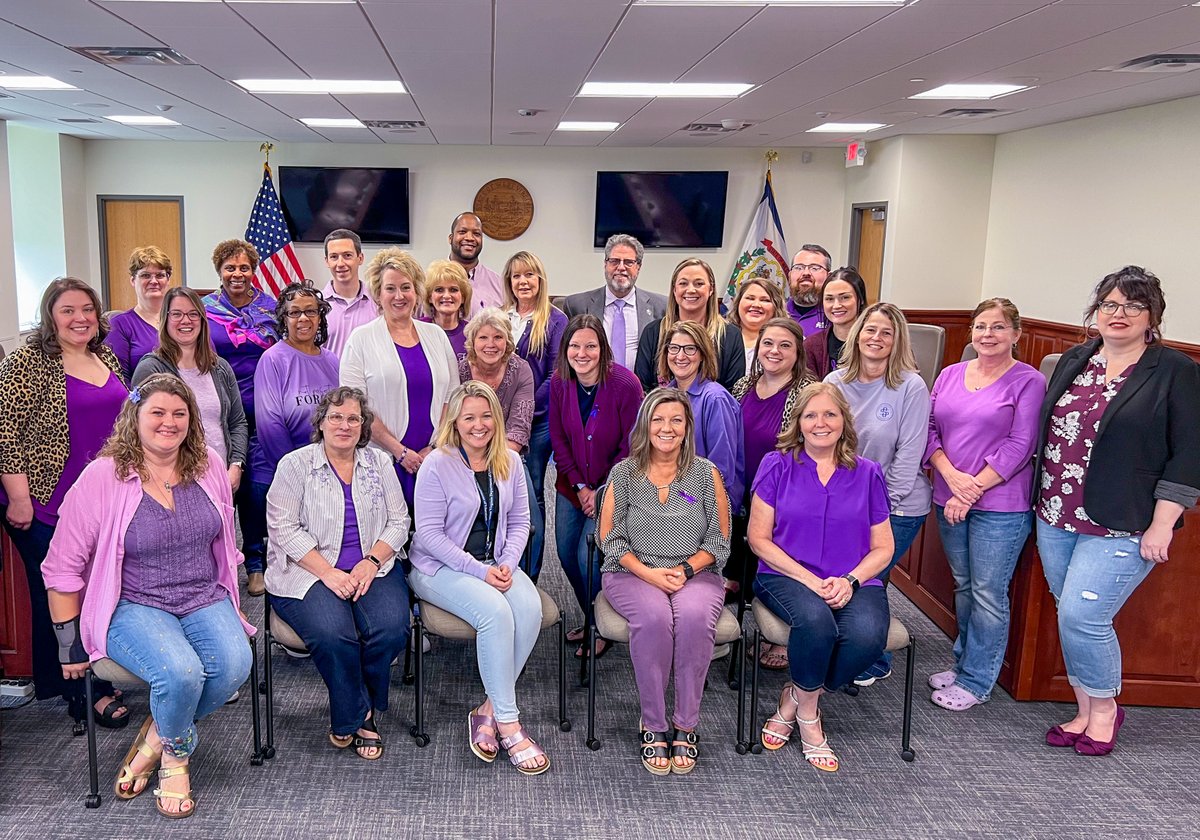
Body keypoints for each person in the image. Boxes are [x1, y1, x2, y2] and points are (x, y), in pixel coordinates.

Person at [42, 373, 255, 819]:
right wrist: (68, 643)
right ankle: (175, 760)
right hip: (132, 602)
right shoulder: (104, 475)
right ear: (134, 417)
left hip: (202, 593)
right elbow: (61, 564)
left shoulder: (209, 464)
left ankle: (156, 733)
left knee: (235, 666)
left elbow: (223, 535)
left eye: (179, 414)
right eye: (157, 412)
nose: (169, 422)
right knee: (180, 674)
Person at [1033, 267, 1200, 756]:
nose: (1119, 313)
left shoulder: (1175, 370)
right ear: (1096, 311)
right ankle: (1084, 709)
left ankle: (1105, 711)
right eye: (1109, 304)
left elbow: (1189, 452)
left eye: (1132, 305)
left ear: (1152, 315)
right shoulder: (1077, 359)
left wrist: (1163, 523)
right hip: (1056, 513)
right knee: (1069, 615)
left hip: (1125, 522)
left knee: (1085, 616)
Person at [0, 277, 130, 730]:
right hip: (43, 501)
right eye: (68, 310)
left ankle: (78, 675)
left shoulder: (105, 355)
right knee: (62, 592)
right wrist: (19, 498)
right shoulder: (27, 363)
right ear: (50, 316)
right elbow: (6, 435)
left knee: (96, 587)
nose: (80, 318)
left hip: (99, 499)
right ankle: (84, 690)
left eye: (87, 310)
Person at [748, 383, 894, 772]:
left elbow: (883, 548)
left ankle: (795, 698)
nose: (820, 423)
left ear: (844, 421)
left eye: (830, 414)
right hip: (785, 575)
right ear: (798, 423)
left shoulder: (867, 473)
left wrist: (851, 580)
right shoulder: (776, 465)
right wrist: (810, 582)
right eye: (810, 415)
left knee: (867, 637)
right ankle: (810, 720)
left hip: (854, 578)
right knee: (816, 625)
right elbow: (757, 539)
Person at [408, 381, 549, 775]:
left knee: (530, 608)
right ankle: (509, 723)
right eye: (469, 417)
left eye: (486, 415)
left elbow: (522, 521)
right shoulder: (437, 463)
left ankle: (487, 708)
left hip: (495, 561)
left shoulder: (509, 460)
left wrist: (506, 562)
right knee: (495, 613)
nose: (479, 424)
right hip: (439, 568)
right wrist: (480, 571)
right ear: (455, 420)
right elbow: (430, 536)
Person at [266, 386, 411, 760]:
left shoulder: (379, 463)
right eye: (336, 417)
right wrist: (328, 572)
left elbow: (399, 520)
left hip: (371, 567)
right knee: (334, 634)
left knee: (392, 629)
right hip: (308, 570)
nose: (344, 425)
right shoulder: (295, 465)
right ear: (321, 422)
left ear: (363, 426)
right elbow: (282, 528)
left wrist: (371, 562)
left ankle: (354, 701)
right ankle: (359, 715)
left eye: (353, 418)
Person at [597, 388, 731, 776]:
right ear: (645, 425)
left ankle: (686, 723)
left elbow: (719, 540)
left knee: (691, 620)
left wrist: (687, 570)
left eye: (676, 420)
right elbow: (611, 539)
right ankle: (654, 723)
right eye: (658, 420)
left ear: (687, 427)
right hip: (632, 572)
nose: (666, 428)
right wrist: (649, 573)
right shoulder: (624, 473)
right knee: (655, 620)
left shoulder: (706, 474)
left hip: (697, 573)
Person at [924, 298, 1046, 711]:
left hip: (1001, 504)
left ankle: (977, 681)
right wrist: (951, 479)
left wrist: (971, 488)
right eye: (980, 327)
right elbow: (929, 430)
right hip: (949, 496)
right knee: (964, 585)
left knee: (989, 592)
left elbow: (1022, 444)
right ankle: (963, 664)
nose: (987, 335)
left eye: (997, 327)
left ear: (1016, 334)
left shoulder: (1028, 381)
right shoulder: (950, 374)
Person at [826, 303, 932, 686]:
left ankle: (874, 655)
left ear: (896, 340)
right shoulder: (835, 382)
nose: (876, 338)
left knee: (872, 581)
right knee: (844, 579)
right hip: (844, 507)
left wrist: (877, 510)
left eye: (886, 333)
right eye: (870, 329)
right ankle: (849, 646)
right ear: (857, 333)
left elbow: (909, 453)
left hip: (897, 506)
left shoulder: (910, 386)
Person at [548, 314, 643, 658]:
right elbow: (558, 438)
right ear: (566, 349)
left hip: (613, 489)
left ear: (603, 349)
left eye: (591, 345)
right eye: (575, 346)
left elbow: (632, 444)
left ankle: (600, 625)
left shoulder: (626, 384)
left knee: (587, 557)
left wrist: (601, 492)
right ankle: (591, 614)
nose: (582, 353)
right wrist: (579, 485)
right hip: (570, 487)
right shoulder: (560, 382)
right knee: (564, 554)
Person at [341, 248, 458, 513]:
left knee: (434, 534)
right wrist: (400, 451)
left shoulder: (436, 335)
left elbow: (453, 397)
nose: (399, 296)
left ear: (416, 292)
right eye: (390, 288)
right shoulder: (360, 340)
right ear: (378, 294)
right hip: (382, 456)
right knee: (388, 537)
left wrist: (435, 447)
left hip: (435, 457)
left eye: (406, 287)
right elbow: (355, 407)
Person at [730, 317, 815, 667]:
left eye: (784, 345)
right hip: (741, 485)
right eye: (768, 344)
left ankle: (779, 638)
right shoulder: (742, 386)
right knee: (740, 560)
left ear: (798, 352)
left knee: (776, 565)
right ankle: (734, 630)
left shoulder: (807, 392)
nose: (774, 351)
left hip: (784, 494)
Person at [249, 284, 341, 595]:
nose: (303, 318)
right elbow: (270, 424)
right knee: (295, 551)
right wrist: (302, 476)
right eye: (294, 312)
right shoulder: (273, 360)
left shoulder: (333, 361)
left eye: (310, 311)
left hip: (331, 472)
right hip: (285, 472)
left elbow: (345, 418)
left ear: (320, 317)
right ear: (283, 319)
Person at [202, 239, 279, 592]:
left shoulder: (271, 307)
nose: (237, 274)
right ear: (219, 270)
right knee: (217, 487)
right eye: (230, 267)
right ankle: (216, 563)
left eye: (244, 267)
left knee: (253, 487)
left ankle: (256, 560)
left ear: (254, 269)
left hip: (263, 407)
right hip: (219, 408)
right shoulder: (204, 309)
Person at [132, 287, 248, 496]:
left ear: (203, 321)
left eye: (193, 314)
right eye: (177, 314)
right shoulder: (151, 369)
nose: (186, 320)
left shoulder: (220, 367)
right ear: (164, 320)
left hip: (220, 479)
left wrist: (236, 465)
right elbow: (138, 428)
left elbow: (237, 421)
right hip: (173, 483)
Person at [458, 309, 542, 573]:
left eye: (498, 337)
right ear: (472, 342)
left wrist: (492, 460)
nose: (491, 344)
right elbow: (455, 419)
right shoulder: (460, 368)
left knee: (530, 523)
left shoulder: (521, 369)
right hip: (464, 456)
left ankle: (526, 577)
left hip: (508, 456)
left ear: (508, 342)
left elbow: (519, 425)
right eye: (483, 337)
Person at [502, 251, 567, 583]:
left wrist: (521, 407)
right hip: (497, 425)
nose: (523, 281)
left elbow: (556, 374)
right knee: (500, 495)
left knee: (531, 496)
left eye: (529, 275)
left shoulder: (555, 320)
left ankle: (530, 574)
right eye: (516, 276)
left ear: (540, 280)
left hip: (538, 423)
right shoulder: (501, 317)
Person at [659, 320, 744, 511]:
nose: (680, 356)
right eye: (673, 348)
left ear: (703, 354)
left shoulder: (715, 399)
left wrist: (682, 499)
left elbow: (721, 471)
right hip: (672, 501)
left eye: (690, 349)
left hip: (707, 508)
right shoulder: (664, 396)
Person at [635, 258, 745, 392]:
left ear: (711, 289)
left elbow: (733, 392)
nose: (691, 290)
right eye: (683, 283)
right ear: (674, 290)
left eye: (699, 283)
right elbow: (642, 388)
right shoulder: (653, 332)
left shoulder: (730, 335)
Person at [560, 234, 667, 372]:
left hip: (642, 389)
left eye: (628, 262)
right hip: (593, 388)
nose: (621, 267)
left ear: (638, 267)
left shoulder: (661, 307)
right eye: (614, 261)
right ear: (605, 264)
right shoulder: (576, 305)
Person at [106, 245, 173, 380]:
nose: (153, 281)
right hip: (141, 399)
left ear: (168, 280)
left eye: (160, 275)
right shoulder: (119, 324)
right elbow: (119, 379)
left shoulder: (181, 319)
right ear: (133, 280)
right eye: (145, 275)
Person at [321, 229, 376, 358]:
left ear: (360, 258)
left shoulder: (378, 302)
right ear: (327, 261)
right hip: (328, 378)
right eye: (334, 257)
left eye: (347, 255)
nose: (340, 263)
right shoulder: (315, 305)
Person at [804, 267, 868, 379]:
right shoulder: (811, 346)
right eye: (829, 299)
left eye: (845, 297)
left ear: (861, 299)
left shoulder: (875, 342)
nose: (836, 305)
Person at [448, 212, 504, 312]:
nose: (469, 238)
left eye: (476, 234)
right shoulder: (429, 282)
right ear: (450, 238)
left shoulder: (500, 285)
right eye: (462, 232)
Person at [728, 277, 785, 373]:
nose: (756, 305)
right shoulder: (720, 336)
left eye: (765, 300)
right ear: (738, 303)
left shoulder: (790, 340)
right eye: (750, 298)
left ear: (776, 307)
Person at [423, 259, 473, 358]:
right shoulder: (416, 330)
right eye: (439, 290)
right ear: (429, 297)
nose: (446, 295)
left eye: (453, 290)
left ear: (463, 297)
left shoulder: (472, 333)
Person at [785, 245, 832, 337]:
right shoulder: (777, 312)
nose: (806, 273)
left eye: (815, 268)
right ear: (789, 275)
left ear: (829, 276)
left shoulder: (834, 315)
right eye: (799, 268)